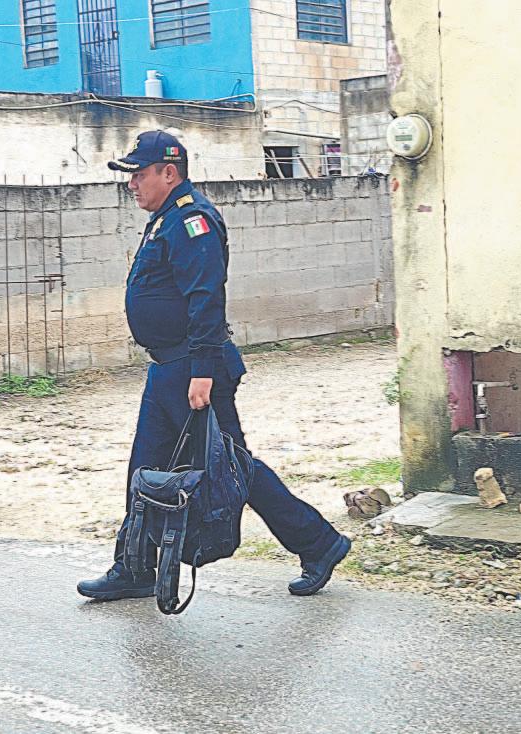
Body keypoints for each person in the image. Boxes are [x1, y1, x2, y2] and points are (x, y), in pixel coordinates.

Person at [77, 131, 350, 602]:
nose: (132, 184)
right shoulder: (167, 219)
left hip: (194, 369)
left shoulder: (192, 221)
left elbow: (206, 297)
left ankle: (319, 543)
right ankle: (135, 567)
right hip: (169, 368)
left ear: (169, 172)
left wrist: (202, 369)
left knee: (233, 469)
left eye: (139, 175)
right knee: (145, 468)